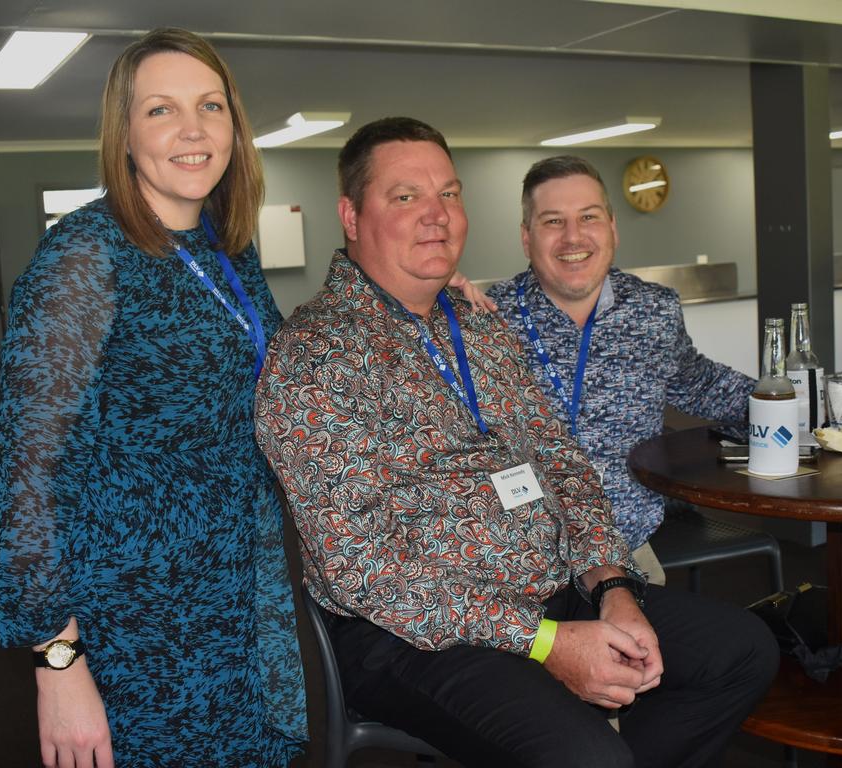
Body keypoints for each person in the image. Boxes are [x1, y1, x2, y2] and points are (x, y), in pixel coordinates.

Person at [255, 117, 778, 767]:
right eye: (405, 197)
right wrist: (547, 643)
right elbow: (364, 571)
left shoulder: (478, 326)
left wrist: (613, 585)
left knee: (741, 650)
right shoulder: (316, 356)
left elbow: (561, 461)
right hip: (419, 635)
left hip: (552, 590)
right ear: (351, 216)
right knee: (589, 760)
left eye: (449, 194)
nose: (436, 216)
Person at [0, 28, 307, 767]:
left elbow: (291, 368)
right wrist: (58, 666)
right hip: (140, 622)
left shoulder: (228, 251)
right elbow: (28, 476)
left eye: (211, 106)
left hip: (240, 597)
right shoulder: (84, 255)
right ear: (124, 134)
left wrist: (417, 294)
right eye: (161, 110)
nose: (194, 130)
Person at [488, 156, 755, 579]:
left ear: (612, 227)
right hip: (517, 559)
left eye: (588, 217)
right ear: (526, 238)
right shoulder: (482, 319)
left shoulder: (653, 311)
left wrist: (789, 402)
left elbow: (699, 382)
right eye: (553, 221)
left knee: (703, 643)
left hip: (624, 550)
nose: (573, 237)